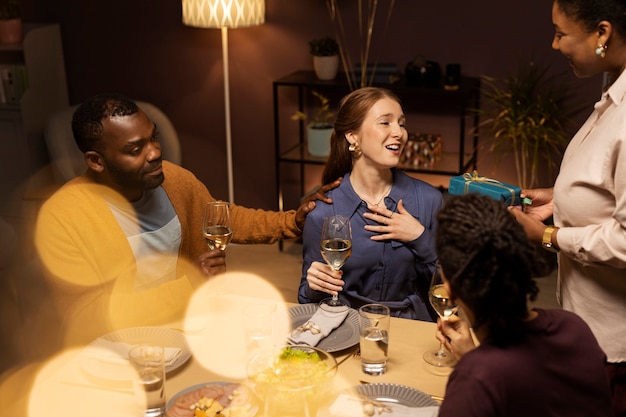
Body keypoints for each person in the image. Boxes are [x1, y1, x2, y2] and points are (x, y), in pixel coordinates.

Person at [34, 93, 338, 347]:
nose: (154, 153)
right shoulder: (62, 217)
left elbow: (222, 218)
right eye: (135, 149)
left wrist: (293, 221)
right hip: (122, 349)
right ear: (96, 161)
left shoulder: (174, 180)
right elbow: (86, 317)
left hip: (191, 328)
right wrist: (190, 283)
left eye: (153, 138)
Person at [508, 1, 626, 414]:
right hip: (587, 328)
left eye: (561, 33)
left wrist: (545, 235)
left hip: (615, 345)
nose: (554, 44)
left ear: (603, 34)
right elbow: (610, 190)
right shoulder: (613, 91)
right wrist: (560, 199)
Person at [434, 193, 612, 417]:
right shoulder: (574, 328)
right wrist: (475, 357)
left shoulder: (475, 382)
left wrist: (476, 365)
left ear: (449, 289)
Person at [298, 87, 444, 320]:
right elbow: (307, 300)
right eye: (385, 123)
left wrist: (419, 237)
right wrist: (314, 285)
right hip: (346, 327)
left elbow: (449, 289)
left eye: (402, 123)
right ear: (352, 135)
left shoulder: (429, 200)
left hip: (412, 330)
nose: (399, 132)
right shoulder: (322, 211)